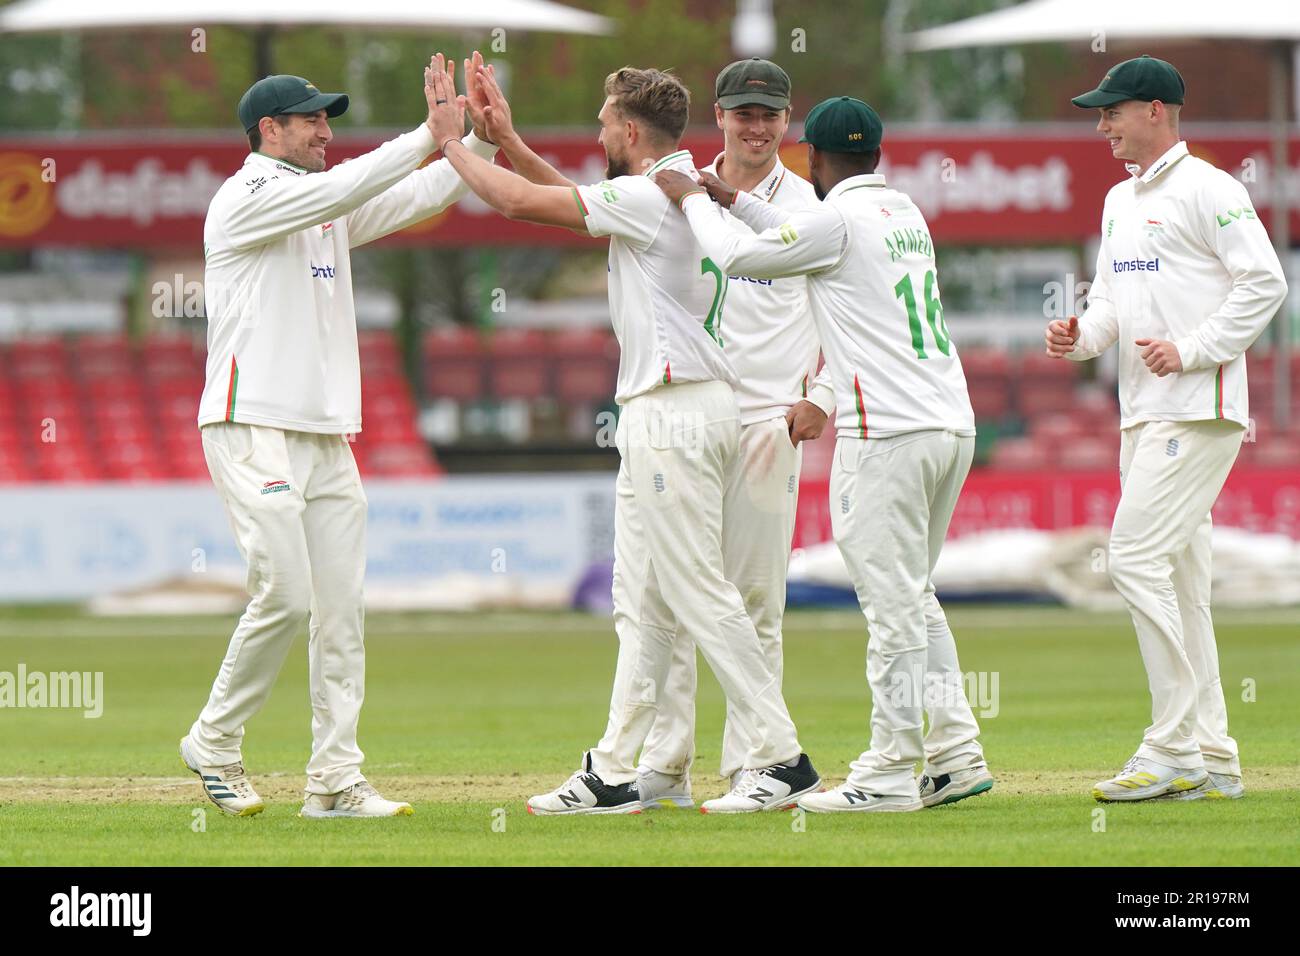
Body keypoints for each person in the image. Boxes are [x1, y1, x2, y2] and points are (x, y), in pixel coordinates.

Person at [425, 56, 820, 814]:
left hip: (674, 408)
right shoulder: (676, 186)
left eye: (604, 122)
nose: (598, 131)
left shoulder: (652, 192)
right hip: (673, 408)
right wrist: (503, 136)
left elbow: (521, 204)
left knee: (700, 592)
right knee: (641, 602)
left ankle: (781, 756)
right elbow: (573, 198)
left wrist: (454, 144)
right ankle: (615, 768)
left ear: (629, 130)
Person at [181, 59, 499, 818]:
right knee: (286, 593)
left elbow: (412, 196)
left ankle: (334, 780)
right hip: (249, 419)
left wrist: (477, 145)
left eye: (328, 119)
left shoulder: (319, 203)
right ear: (270, 130)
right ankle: (215, 741)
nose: (328, 131)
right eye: (313, 121)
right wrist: (429, 130)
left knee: (339, 608)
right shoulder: (245, 196)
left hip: (324, 431)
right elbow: (347, 186)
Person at [656, 95, 992, 813]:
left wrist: (694, 203)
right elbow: (792, 231)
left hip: (889, 435)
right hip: (949, 426)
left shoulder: (834, 220)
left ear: (811, 158)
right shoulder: (902, 211)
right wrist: (734, 198)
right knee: (916, 595)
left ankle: (890, 771)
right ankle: (957, 752)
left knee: (893, 605)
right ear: (875, 152)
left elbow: (745, 256)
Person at [1048, 55, 1287, 802]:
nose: (1102, 124)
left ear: (1155, 110)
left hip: (1198, 407)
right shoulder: (1120, 200)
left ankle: (1172, 746)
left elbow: (1267, 283)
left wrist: (1195, 349)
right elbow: (1115, 304)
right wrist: (1080, 337)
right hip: (1144, 411)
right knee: (1181, 586)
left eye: (1112, 111)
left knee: (1132, 558)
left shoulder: (1211, 189)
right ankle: (1214, 758)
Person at [633, 58, 833, 809]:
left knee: (754, 598)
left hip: (764, 418)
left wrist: (822, 395)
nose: (756, 127)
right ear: (718, 115)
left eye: (770, 115)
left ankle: (757, 767)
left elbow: (844, 313)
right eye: (743, 113)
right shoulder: (674, 190)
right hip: (687, 414)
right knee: (675, 596)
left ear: (788, 123)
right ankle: (665, 765)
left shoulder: (810, 206)